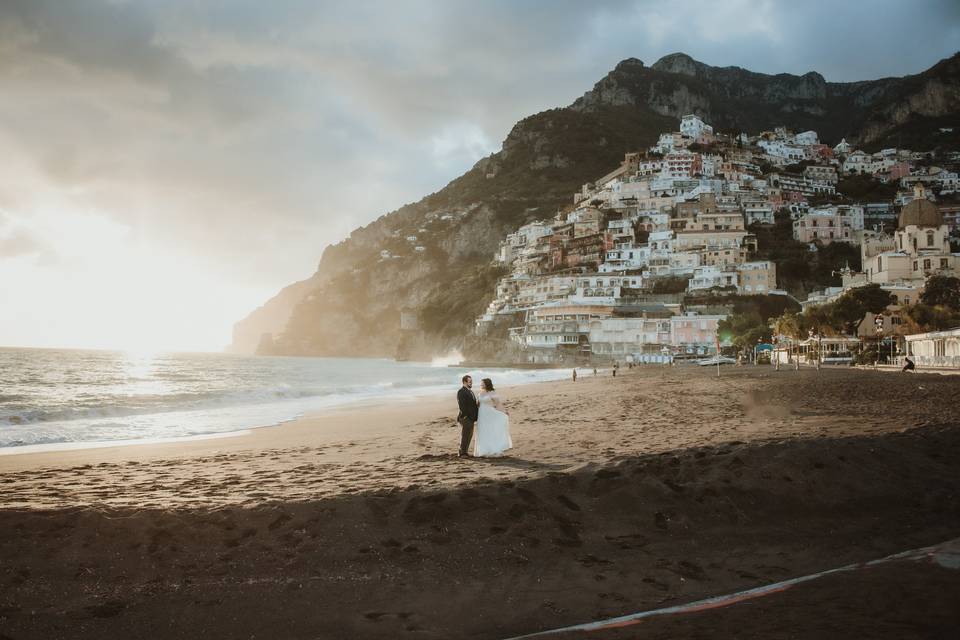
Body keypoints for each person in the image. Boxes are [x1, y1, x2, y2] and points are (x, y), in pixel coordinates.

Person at [474, 378, 512, 457]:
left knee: (490, 430)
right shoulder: (480, 393)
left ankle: (492, 449)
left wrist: (504, 411)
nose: (481, 384)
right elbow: (478, 404)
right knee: (482, 431)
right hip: (481, 415)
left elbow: (498, 404)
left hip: (490, 413)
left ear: (487, 384)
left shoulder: (492, 392)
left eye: (482, 383)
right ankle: (483, 450)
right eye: (481, 383)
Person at [456, 374, 478, 457]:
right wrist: (465, 416)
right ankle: (461, 453)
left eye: (471, 381)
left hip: (471, 418)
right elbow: (462, 406)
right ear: (465, 382)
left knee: (469, 435)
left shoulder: (469, 391)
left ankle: (465, 451)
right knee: (465, 435)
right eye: (470, 382)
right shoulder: (461, 391)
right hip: (465, 417)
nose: (471, 383)